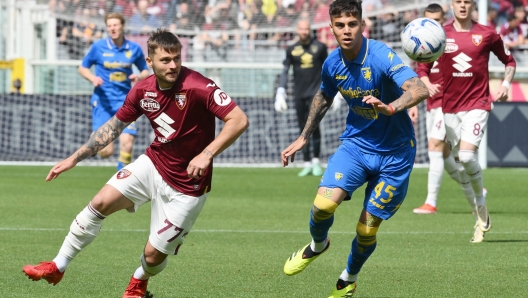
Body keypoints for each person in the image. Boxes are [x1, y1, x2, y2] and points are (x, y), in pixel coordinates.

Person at [22, 28, 249, 297]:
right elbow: (113, 128)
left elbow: (239, 119)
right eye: (165, 60)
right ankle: (58, 266)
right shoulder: (142, 90)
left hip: (188, 186)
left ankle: (139, 282)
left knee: (153, 256)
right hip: (153, 164)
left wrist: (206, 154)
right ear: (149, 62)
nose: (173, 65)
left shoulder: (198, 85)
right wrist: (73, 159)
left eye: (176, 58)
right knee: (100, 202)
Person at [280, 0, 429, 296]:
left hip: (396, 154)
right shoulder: (332, 63)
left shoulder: (381, 55)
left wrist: (391, 107)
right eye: (340, 25)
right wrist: (304, 136)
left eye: (352, 24)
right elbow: (323, 97)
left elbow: (419, 88)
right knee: (322, 205)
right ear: (331, 28)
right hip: (357, 147)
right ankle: (318, 245)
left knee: (366, 229)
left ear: (362, 24)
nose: (346, 31)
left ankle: (348, 277)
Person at [418, 0, 516, 243]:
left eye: (467, 2)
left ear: (472, 6)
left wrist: (504, 84)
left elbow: (510, 61)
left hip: (478, 103)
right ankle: (477, 206)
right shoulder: (441, 35)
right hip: (449, 107)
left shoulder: (487, 34)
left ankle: (480, 205)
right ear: (452, 5)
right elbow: (422, 66)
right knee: (460, 161)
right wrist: (427, 82)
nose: (462, 6)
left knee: (468, 155)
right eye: (458, 2)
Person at [78, 12, 150, 171]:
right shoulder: (98, 47)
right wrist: (92, 78)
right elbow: (82, 68)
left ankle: (121, 179)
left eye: (115, 25)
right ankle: (97, 142)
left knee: (127, 143)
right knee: (106, 151)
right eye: (109, 25)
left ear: (122, 26)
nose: (112, 28)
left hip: (126, 102)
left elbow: (145, 70)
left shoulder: (134, 48)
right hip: (103, 102)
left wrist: (138, 76)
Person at [274, 19, 331, 177]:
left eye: (306, 28)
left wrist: (335, 91)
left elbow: (328, 69)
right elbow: (285, 70)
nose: (304, 31)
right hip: (299, 94)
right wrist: (280, 90)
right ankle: (306, 162)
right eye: (301, 28)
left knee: (315, 126)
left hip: (317, 94)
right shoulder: (291, 49)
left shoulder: (320, 47)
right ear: (297, 30)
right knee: (302, 128)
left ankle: (316, 161)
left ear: (310, 30)